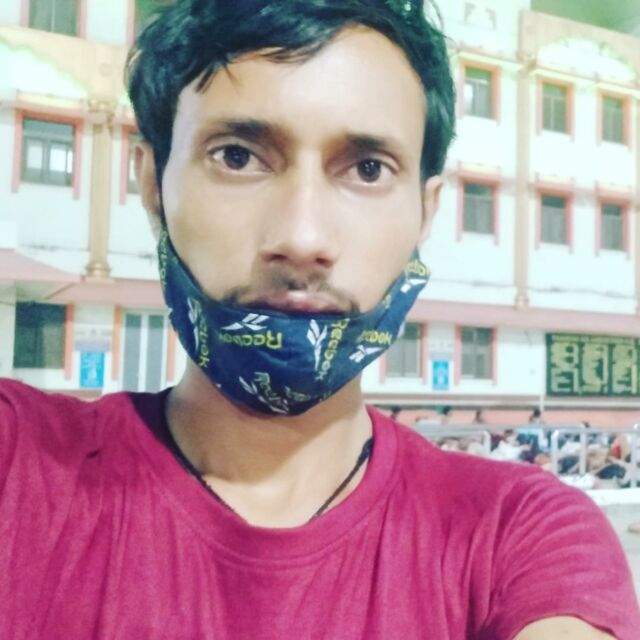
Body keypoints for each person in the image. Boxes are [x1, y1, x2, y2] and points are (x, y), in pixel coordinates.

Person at [1, 1, 638, 638]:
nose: (302, 238)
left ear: (425, 212)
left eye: (367, 169)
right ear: (151, 184)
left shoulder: (517, 534)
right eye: (237, 156)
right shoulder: (22, 469)